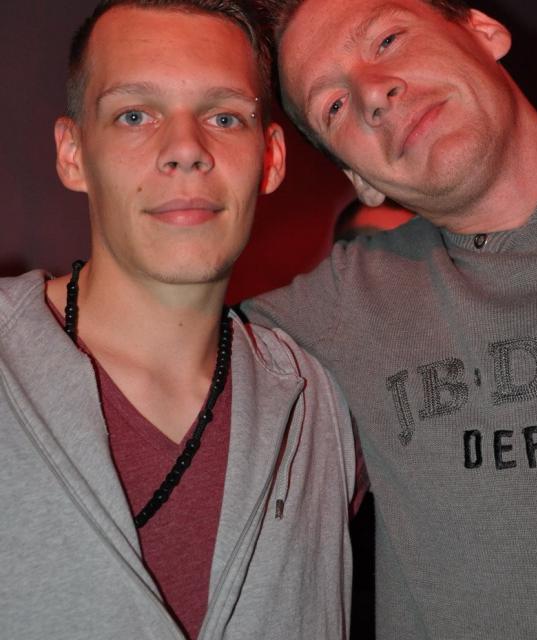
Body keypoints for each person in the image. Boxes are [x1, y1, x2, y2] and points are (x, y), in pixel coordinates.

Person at [243, 0, 537, 637]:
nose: (373, 94)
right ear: (360, 179)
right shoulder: (338, 306)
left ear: (484, 31)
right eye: (334, 105)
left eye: (387, 39)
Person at [0, 2, 355, 639]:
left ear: (271, 159)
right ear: (74, 153)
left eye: (224, 117)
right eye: (135, 115)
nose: (187, 150)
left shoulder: (325, 404)